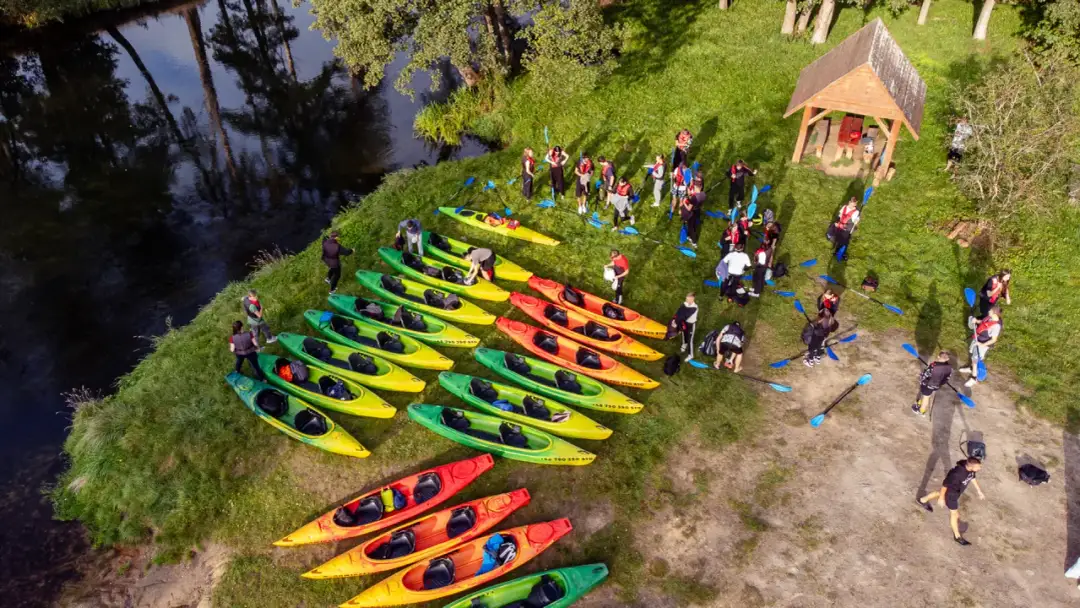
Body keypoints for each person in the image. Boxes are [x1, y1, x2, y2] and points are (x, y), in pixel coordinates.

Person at [916, 456, 985, 546]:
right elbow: (945, 485)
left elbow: (972, 478)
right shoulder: (957, 474)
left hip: (955, 491)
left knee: (939, 493)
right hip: (951, 495)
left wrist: (979, 491)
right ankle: (957, 536)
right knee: (954, 514)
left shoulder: (970, 469)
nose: (980, 468)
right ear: (971, 467)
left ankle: (922, 500)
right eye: (978, 467)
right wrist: (941, 498)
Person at [960, 305, 1001, 388]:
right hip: (977, 340)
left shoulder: (996, 326)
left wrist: (982, 344)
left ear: (994, 313)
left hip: (982, 345)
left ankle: (974, 378)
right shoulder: (989, 318)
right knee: (973, 357)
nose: (988, 312)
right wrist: (976, 321)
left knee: (975, 360)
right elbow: (982, 322)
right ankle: (972, 369)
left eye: (990, 311)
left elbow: (994, 340)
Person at [912, 350, 953, 416]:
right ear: (948, 359)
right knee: (927, 395)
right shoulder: (949, 368)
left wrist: (921, 377)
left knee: (926, 397)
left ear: (938, 356)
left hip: (928, 385)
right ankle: (920, 403)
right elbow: (947, 378)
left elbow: (926, 374)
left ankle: (921, 411)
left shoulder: (933, 366)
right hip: (936, 385)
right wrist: (941, 383)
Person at [668, 292, 699, 360]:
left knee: (690, 339)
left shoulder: (694, 307)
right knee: (684, 335)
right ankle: (684, 345)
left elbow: (684, 315)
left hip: (691, 324)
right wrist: (675, 319)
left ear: (692, 299)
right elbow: (679, 312)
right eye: (686, 298)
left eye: (688, 299)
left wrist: (676, 323)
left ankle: (691, 355)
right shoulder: (685, 304)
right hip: (684, 323)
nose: (686, 300)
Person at [322, 230, 353, 294]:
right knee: (337, 275)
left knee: (332, 268)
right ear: (336, 237)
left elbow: (324, 237)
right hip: (334, 263)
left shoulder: (325, 241)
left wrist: (328, 237)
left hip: (326, 260)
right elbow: (346, 252)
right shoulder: (337, 246)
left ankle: (328, 278)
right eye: (338, 237)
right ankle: (332, 290)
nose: (339, 238)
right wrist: (352, 250)